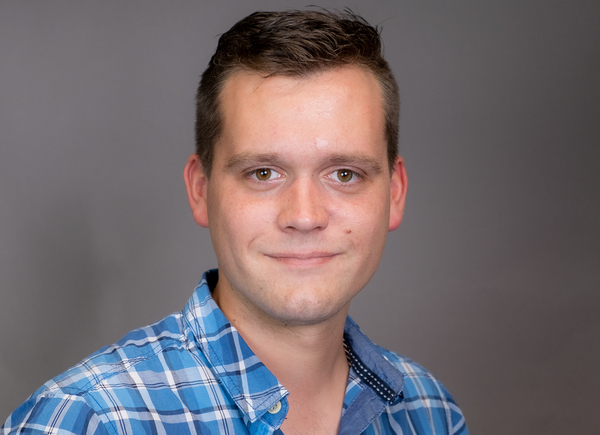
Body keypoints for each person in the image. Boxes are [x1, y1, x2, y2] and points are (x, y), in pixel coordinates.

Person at [1, 10, 468, 435]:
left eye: (344, 174)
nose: (304, 216)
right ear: (200, 190)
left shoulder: (429, 413)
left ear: (395, 193)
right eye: (263, 173)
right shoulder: (88, 421)